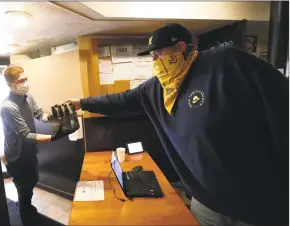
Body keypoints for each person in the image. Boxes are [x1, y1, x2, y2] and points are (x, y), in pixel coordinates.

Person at [66, 23, 288, 226]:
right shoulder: (156, 89)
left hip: (258, 204)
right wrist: (80, 103)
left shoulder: (225, 62)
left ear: (180, 47)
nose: (155, 61)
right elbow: (119, 100)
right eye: (152, 56)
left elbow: (281, 101)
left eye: (159, 54)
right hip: (205, 203)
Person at [0, 65, 71, 225]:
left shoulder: (28, 97)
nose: (25, 83)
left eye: (26, 79)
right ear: (11, 84)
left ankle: (26, 206)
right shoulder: (8, 107)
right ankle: (26, 217)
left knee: (32, 180)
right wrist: (52, 138)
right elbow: (25, 134)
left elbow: (39, 114)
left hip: (31, 151)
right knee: (24, 188)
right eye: (20, 80)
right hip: (17, 155)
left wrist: (57, 117)